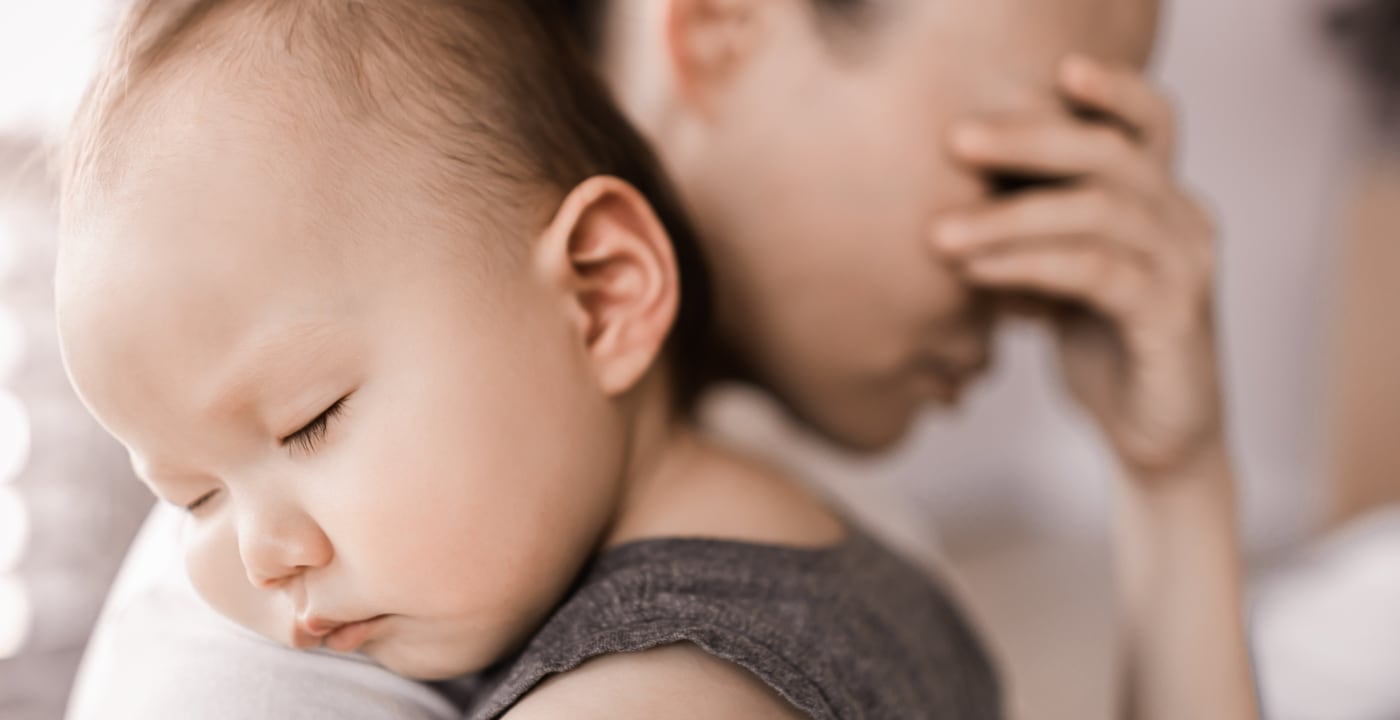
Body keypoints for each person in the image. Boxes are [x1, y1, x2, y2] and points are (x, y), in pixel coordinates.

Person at [67, 1, 1259, 718]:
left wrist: (1173, 475)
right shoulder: (276, 635)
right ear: (720, 24)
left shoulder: (744, 467)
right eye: (1024, 173)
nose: (1064, 273)